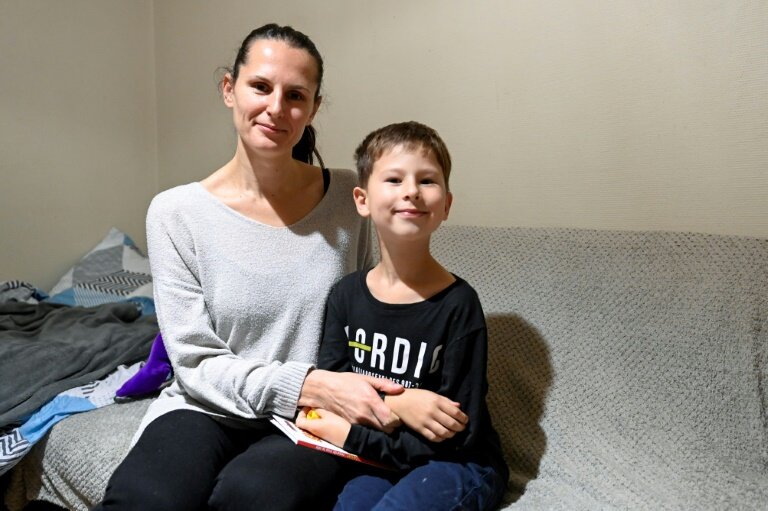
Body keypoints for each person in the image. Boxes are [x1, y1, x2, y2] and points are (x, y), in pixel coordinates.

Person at [95, 25, 464, 511]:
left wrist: (387, 399)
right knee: (147, 498)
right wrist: (308, 382)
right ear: (230, 89)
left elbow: (374, 305)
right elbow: (194, 361)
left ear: (313, 108)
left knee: (254, 496)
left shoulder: (349, 197)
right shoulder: (175, 212)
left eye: (295, 95)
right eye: (260, 87)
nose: (275, 108)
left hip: (313, 416)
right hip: (205, 406)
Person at [296, 121, 509, 510]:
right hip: (380, 459)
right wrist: (401, 403)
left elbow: (458, 433)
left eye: (427, 180)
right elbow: (330, 396)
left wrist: (351, 436)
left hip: (457, 463)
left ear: (445, 204)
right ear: (362, 199)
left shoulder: (459, 304)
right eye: (394, 179)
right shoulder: (345, 296)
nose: (411, 190)